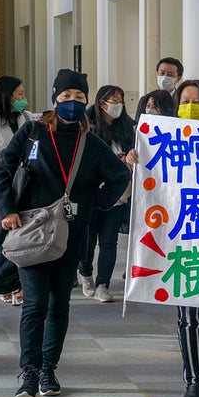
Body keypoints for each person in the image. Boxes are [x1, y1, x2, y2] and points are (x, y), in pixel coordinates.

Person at [0, 69, 129, 397]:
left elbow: (120, 175)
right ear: (55, 99)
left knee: (59, 305)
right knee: (35, 303)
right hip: (31, 233)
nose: (71, 103)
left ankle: (48, 369)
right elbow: (2, 169)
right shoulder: (33, 132)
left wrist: (94, 203)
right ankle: (29, 373)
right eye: (66, 97)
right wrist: (7, 208)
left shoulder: (92, 143)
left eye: (79, 98)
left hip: (71, 236)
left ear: (86, 102)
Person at [126, 79, 199, 397]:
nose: (190, 105)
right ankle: (194, 379)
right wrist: (135, 157)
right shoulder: (163, 138)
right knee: (189, 315)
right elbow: (150, 176)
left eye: (198, 101)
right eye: (185, 99)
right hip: (181, 235)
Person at [0, 75, 37, 305]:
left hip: (28, 187)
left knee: (25, 238)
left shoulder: (28, 118)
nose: (24, 98)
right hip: (3, 190)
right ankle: (7, 282)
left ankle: (22, 284)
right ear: (7, 97)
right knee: (5, 239)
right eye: (20, 94)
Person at [77, 85, 136, 302]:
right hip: (91, 193)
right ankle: (86, 275)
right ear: (101, 103)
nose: (117, 104)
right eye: (113, 100)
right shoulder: (86, 126)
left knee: (109, 241)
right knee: (88, 240)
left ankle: (103, 283)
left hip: (116, 194)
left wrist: (127, 159)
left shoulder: (127, 127)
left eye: (120, 100)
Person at [134, 57, 184, 122]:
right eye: (162, 73)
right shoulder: (145, 99)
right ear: (157, 74)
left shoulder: (181, 101)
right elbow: (138, 125)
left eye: (170, 74)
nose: (165, 77)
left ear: (178, 79)